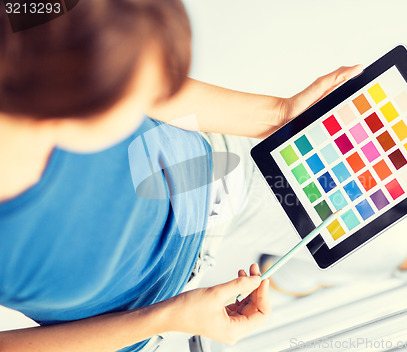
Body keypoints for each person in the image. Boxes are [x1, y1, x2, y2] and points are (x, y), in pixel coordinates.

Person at [0, 1, 362, 351]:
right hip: (138, 327)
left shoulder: (26, 26)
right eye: (136, 97)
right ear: (71, 110)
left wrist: (281, 114)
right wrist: (167, 317)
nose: (153, 102)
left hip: (208, 181)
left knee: (374, 234)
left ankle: (302, 273)